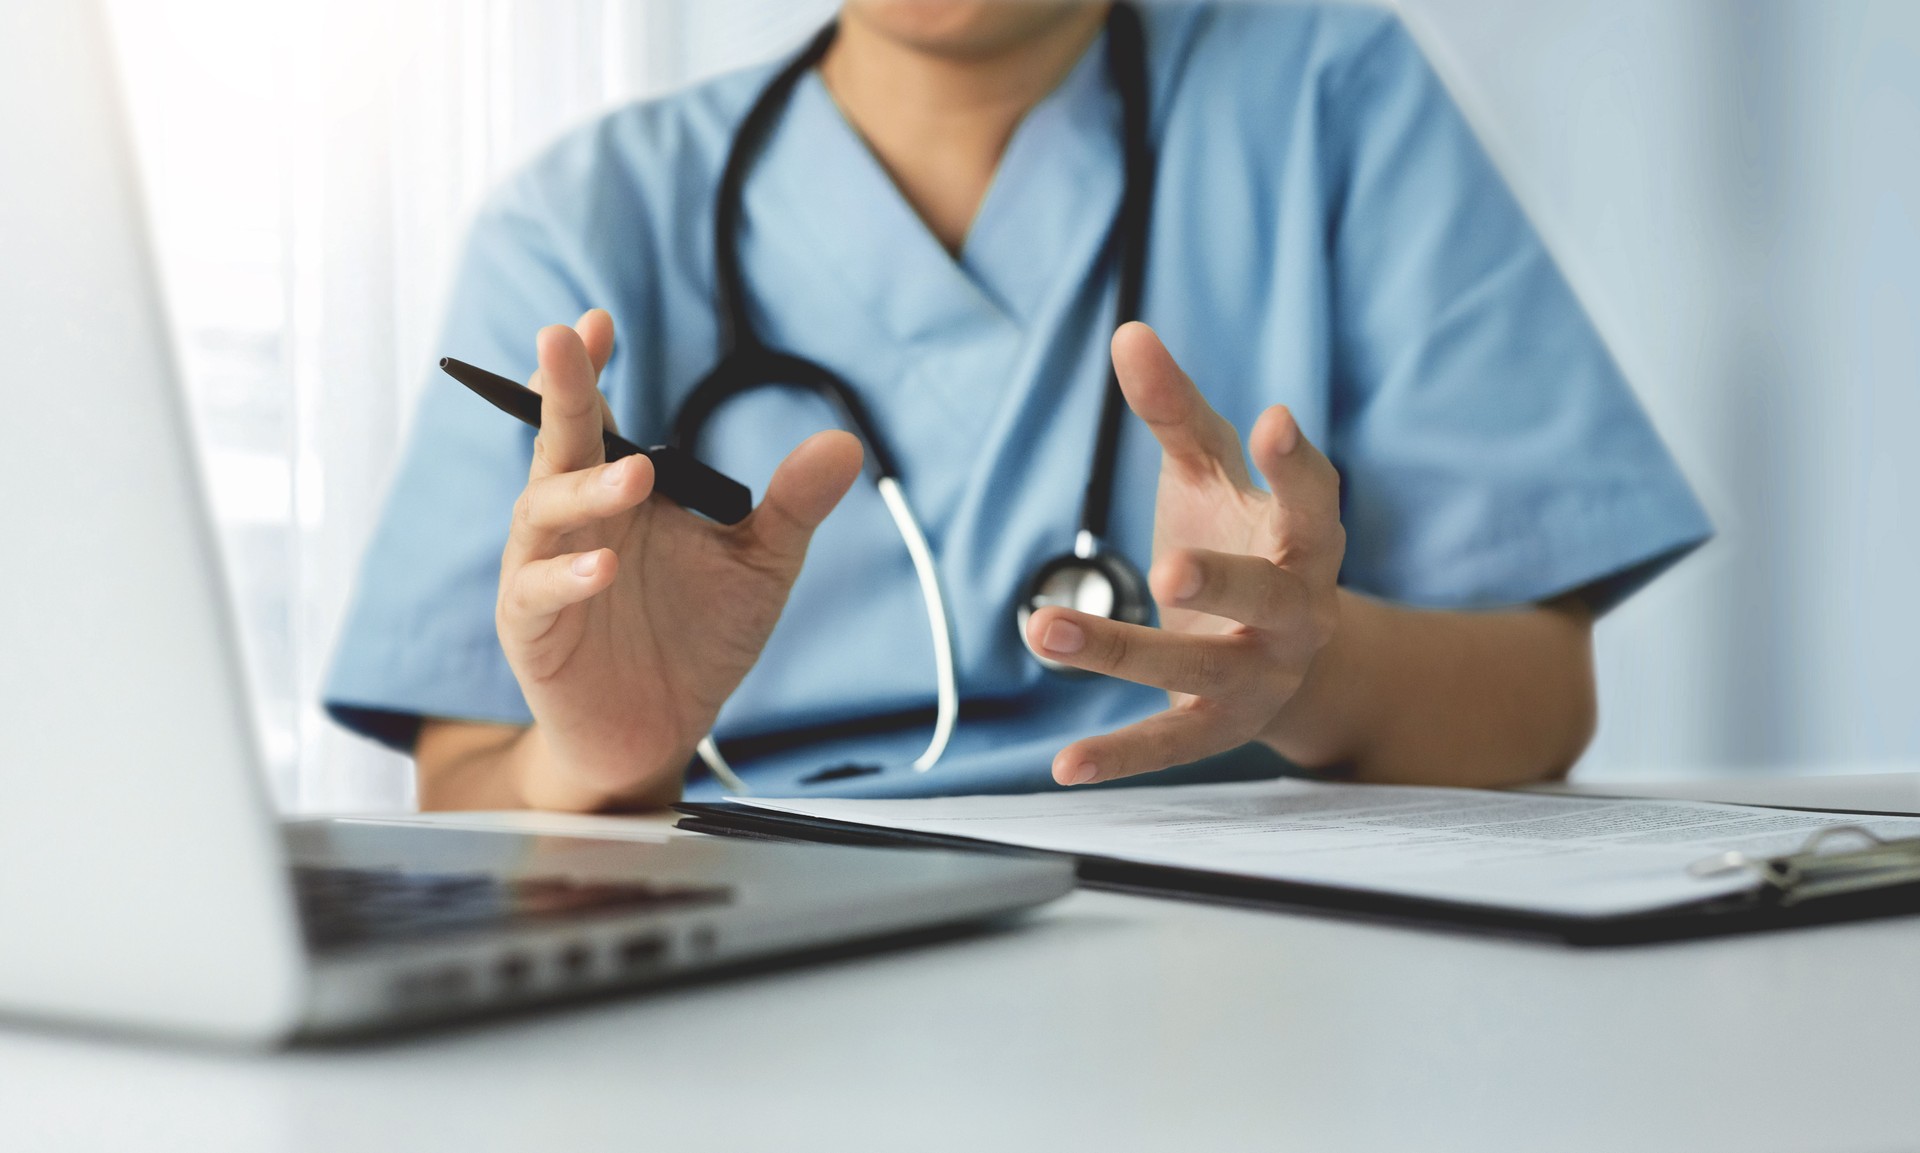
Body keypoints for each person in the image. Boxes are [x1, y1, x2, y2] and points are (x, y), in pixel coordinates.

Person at [324, 1, 1711, 811]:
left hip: (1251, 973)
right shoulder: (581, 222)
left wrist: (1314, 669)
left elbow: (1541, 698)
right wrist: (589, 758)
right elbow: (465, 790)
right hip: (752, 960)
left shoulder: (1329, 96)